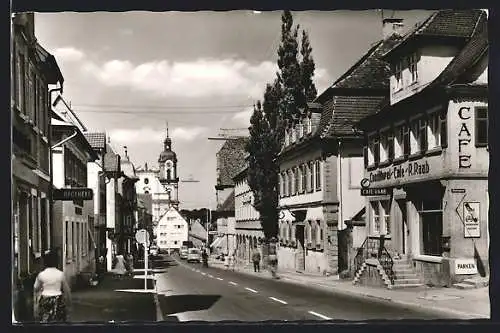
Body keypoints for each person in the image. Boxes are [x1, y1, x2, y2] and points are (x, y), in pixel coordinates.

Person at [33, 251, 71, 323]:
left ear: (45, 262)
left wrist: (35, 306)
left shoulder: (41, 275)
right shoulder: (60, 274)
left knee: (45, 321)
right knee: (58, 321)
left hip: (45, 300)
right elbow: (67, 290)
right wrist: (69, 305)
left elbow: (36, 288)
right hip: (58, 300)